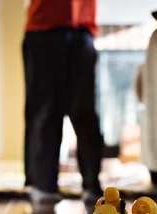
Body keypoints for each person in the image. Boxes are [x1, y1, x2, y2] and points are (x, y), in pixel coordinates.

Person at [23, 0, 104, 203]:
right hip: (43, 26)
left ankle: (92, 184)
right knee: (45, 109)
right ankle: (43, 185)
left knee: (85, 111)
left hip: (83, 28)